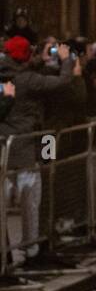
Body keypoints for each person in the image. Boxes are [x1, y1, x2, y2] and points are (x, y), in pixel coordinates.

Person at [0, 37, 82, 267]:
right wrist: (66, 61)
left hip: (8, 148)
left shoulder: (10, 75)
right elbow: (63, 83)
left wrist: (42, 61)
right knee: (33, 200)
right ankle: (33, 248)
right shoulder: (28, 79)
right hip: (34, 144)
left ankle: (6, 255)